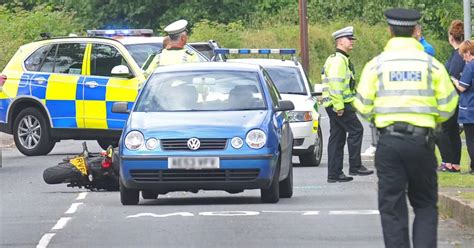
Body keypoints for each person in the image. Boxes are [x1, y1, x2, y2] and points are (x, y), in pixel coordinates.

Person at [353, 8, 458, 247]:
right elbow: (449, 104)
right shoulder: (432, 66)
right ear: (414, 31)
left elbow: (361, 104)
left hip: (388, 142)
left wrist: (380, 115)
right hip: (422, 142)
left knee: (391, 206)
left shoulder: (376, 65)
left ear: (390, 31)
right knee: (424, 204)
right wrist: (430, 119)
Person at [321, 26, 374, 183]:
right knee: (356, 130)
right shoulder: (338, 61)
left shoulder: (339, 59)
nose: (352, 42)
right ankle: (355, 166)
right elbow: (336, 86)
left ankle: (334, 173)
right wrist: (339, 106)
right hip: (338, 105)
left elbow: (347, 87)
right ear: (339, 41)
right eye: (349, 39)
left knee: (337, 138)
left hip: (336, 104)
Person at [438, 20, 465, 172]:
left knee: (442, 130)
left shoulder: (457, 56)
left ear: (451, 37)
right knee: (453, 131)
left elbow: (451, 77)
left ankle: (447, 162)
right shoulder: (461, 54)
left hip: (451, 99)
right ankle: (455, 163)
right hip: (458, 99)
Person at [451, 40, 474, 175]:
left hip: (469, 108)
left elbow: (462, 87)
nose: (463, 57)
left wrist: (454, 80)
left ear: (468, 52)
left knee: (471, 140)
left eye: (463, 54)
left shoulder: (470, 66)